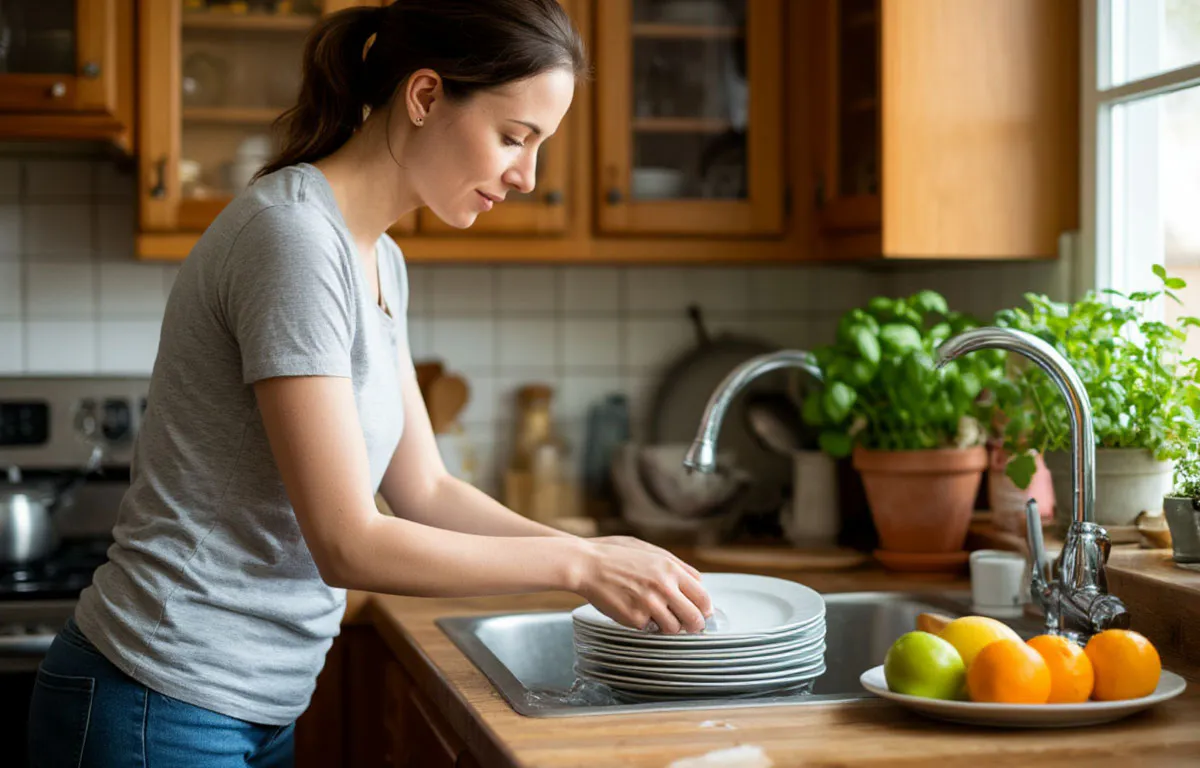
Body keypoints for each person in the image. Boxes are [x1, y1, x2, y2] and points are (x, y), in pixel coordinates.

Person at [26, 2, 713, 766]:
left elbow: (425, 490)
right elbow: (348, 543)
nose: (526, 175)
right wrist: (579, 566)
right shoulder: (292, 239)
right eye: (514, 138)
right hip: (158, 699)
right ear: (424, 97)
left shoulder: (377, 257)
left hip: (247, 703)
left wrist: (601, 552)